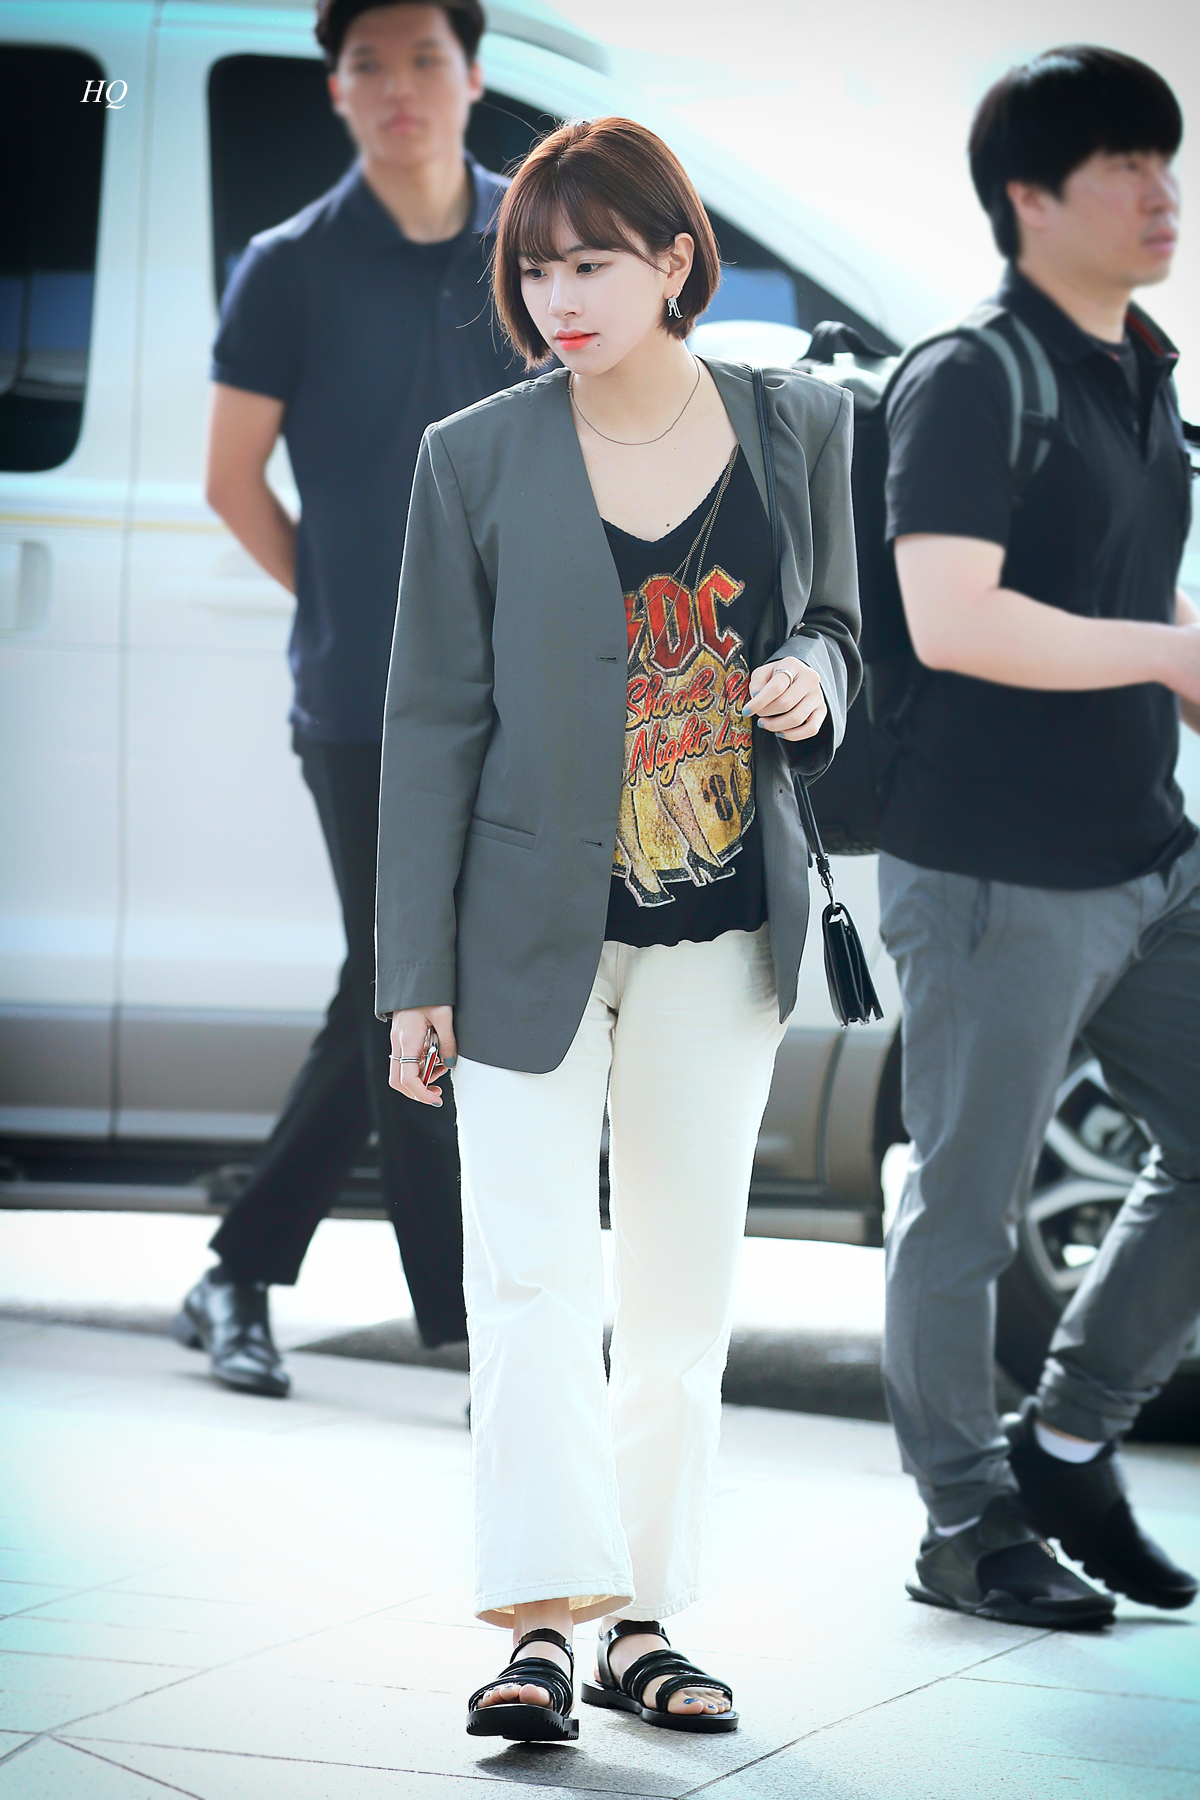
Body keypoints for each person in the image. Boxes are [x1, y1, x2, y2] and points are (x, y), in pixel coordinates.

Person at [376, 117, 860, 1740]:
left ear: (674, 259)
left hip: (721, 928)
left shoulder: (797, 423)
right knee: (530, 1275)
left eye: (591, 262)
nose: (558, 298)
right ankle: (537, 1628)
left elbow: (842, 626)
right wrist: (413, 977)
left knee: (676, 1295)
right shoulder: (473, 457)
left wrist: (815, 679)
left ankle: (642, 1622)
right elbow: (429, 725)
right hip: (523, 933)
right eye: (534, 269)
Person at [878, 45, 1199, 1626]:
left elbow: (1126, 597)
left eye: (1166, 159)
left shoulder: (1143, 369)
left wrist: (1176, 661)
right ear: (1030, 199)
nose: (1162, 192)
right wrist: (1173, 655)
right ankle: (965, 1523)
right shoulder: (970, 376)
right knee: (966, 1209)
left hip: (1149, 853)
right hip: (995, 871)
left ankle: (1066, 1442)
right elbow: (955, 618)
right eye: (1124, 164)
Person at [173, 0, 523, 1397]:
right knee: (407, 988)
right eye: (367, 63)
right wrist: (340, 600)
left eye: (425, 57)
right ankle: (471, 1326)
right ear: (336, 88)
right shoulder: (289, 268)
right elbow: (229, 480)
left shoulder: (538, 241)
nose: (398, 87)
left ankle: (243, 1267)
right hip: (362, 703)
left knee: (405, 986)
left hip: (522, 697)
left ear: (472, 74)